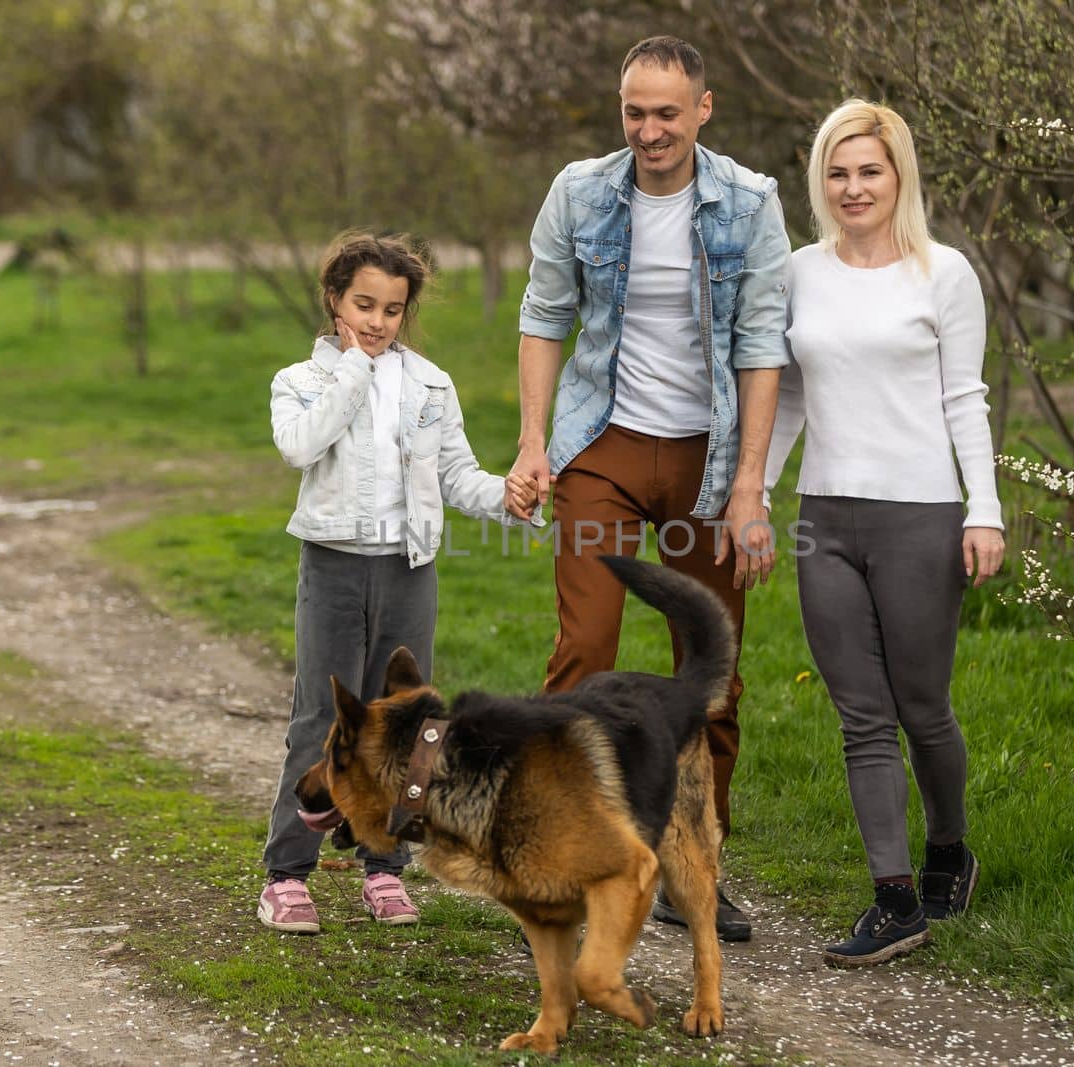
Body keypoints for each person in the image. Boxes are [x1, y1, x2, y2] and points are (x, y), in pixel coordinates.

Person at [503, 35, 791, 942]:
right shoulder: (580, 192)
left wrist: (749, 488)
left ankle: (692, 870)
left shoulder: (749, 203)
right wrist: (532, 444)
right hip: (605, 449)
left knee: (712, 674)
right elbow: (546, 316)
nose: (650, 129)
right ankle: (565, 853)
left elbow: (761, 343)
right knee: (584, 649)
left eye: (668, 112)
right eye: (635, 111)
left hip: (709, 462)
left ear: (703, 108)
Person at [764, 99, 1006, 967]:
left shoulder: (945, 273)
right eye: (838, 171)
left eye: (869, 170)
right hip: (824, 519)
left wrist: (985, 509)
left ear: (898, 175)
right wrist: (754, 493)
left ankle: (950, 848)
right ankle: (894, 898)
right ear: (819, 182)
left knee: (922, 709)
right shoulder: (798, 273)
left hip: (921, 519)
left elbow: (964, 400)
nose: (853, 186)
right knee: (861, 718)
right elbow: (787, 397)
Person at [258, 231, 536, 933]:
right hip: (333, 567)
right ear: (334, 300)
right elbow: (300, 444)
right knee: (320, 722)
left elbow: (455, 476)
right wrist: (354, 370)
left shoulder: (431, 384)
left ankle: (384, 870)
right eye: (364, 304)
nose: (378, 321)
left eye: (392, 309)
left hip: (409, 571)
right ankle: (289, 875)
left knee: (415, 730)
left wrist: (505, 494)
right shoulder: (302, 381)